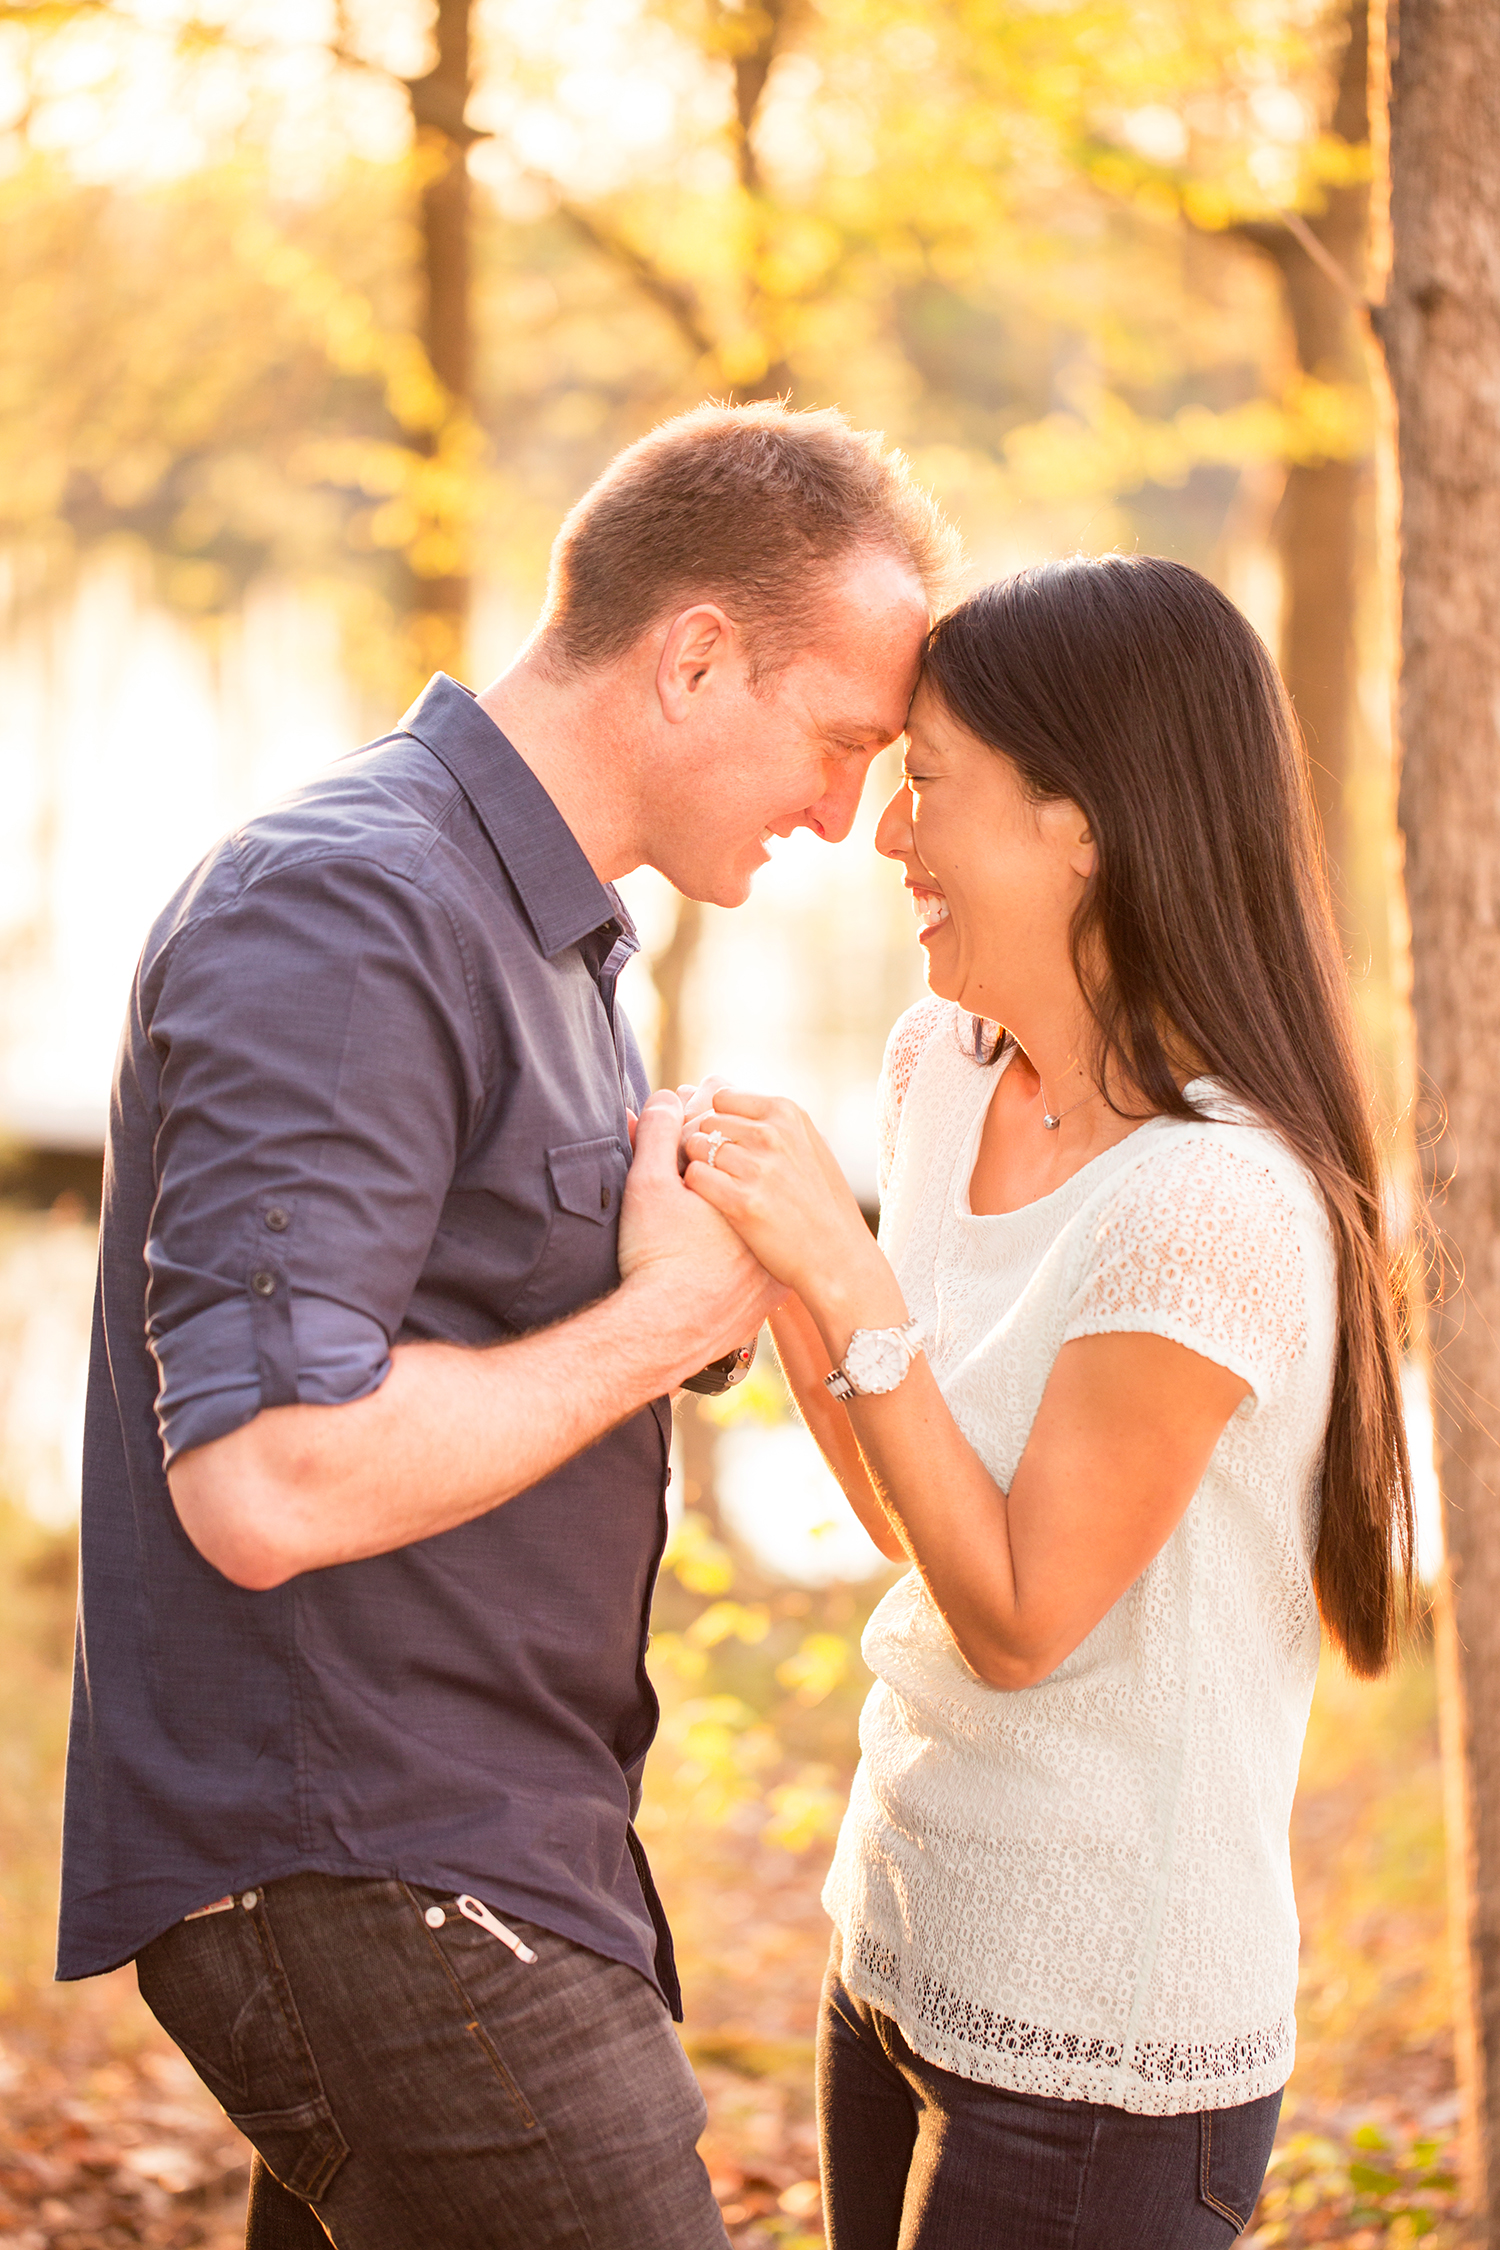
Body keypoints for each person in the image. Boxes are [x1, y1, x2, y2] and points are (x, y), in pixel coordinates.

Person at [58, 399, 958, 2250]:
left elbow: (454, 1326)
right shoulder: (350, 909)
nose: (849, 813)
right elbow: (264, 1474)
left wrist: (691, 1311)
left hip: (471, 1846)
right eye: (842, 740)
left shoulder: (546, 939)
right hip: (370, 1861)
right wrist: (652, 1323)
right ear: (697, 654)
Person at [681, 555, 1415, 2249]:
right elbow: (918, 1520)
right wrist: (789, 1283)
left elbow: (1021, 1621)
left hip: (1103, 2051)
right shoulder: (943, 1070)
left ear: (1083, 825)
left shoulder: (1216, 1205)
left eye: (928, 782)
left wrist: (847, 1277)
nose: (887, 835)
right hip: (900, 1934)